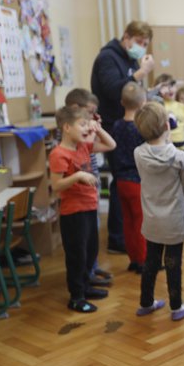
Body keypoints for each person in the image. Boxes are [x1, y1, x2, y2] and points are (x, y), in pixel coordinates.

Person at [91, 20, 155, 254]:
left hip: (125, 123)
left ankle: (125, 238)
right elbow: (113, 90)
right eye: (139, 42)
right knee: (121, 183)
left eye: (145, 44)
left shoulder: (128, 58)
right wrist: (141, 73)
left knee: (124, 184)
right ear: (126, 36)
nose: (141, 47)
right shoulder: (107, 57)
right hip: (113, 126)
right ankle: (118, 239)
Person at [49, 105, 116, 313]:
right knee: (77, 255)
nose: (86, 128)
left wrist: (97, 129)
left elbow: (111, 144)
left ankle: (86, 286)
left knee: (90, 251)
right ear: (67, 127)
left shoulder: (83, 146)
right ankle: (76, 297)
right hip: (73, 214)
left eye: (87, 123)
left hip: (89, 208)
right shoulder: (59, 154)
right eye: (83, 124)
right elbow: (57, 186)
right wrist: (78, 176)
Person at [133, 102, 184, 321]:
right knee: (173, 262)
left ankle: (146, 302)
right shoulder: (179, 157)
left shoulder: (138, 154)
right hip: (175, 219)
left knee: (151, 260)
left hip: (151, 218)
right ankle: (176, 307)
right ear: (168, 125)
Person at [64, 88, 113, 286]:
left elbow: (108, 144)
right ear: (76, 109)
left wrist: (96, 128)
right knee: (83, 238)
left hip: (90, 189)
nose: (93, 117)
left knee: (93, 233)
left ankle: (91, 266)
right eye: (90, 112)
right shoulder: (72, 135)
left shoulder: (83, 132)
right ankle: (86, 273)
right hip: (79, 196)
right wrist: (92, 129)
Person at [112, 83, 147, 273]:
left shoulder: (117, 125)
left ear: (121, 102)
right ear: (143, 103)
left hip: (121, 180)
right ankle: (143, 261)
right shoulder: (140, 127)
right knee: (141, 221)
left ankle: (133, 258)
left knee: (127, 221)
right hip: (137, 181)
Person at [153, 74, 184, 150]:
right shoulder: (158, 105)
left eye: (172, 86)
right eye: (166, 87)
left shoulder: (182, 107)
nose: (170, 90)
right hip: (164, 147)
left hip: (181, 147)